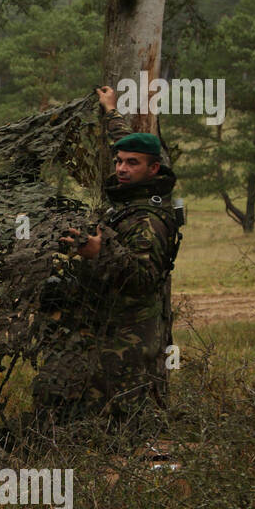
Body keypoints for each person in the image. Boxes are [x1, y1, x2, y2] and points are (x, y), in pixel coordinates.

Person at [32, 86, 182, 436]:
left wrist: (102, 253)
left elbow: (145, 279)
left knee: (125, 411)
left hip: (129, 335)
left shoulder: (148, 219)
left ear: (153, 168)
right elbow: (125, 140)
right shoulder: (135, 192)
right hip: (107, 324)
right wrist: (110, 110)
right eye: (118, 162)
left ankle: (131, 468)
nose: (121, 169)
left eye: (132, 163)